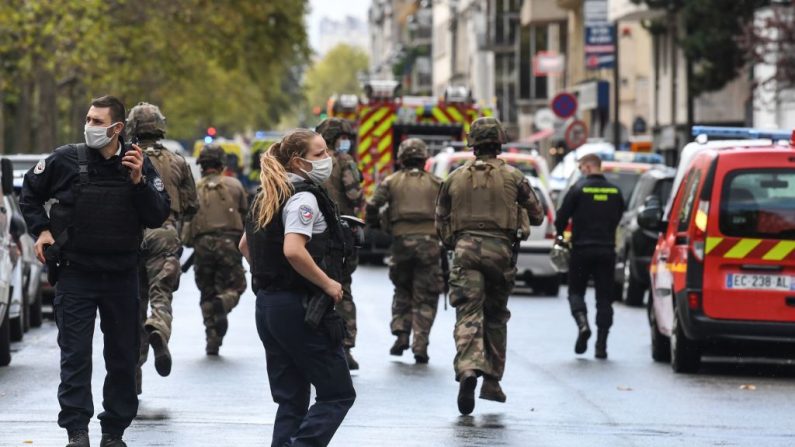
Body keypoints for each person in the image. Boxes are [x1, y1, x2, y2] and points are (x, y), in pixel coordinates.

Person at [20, 95, 170, 447]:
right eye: (88, 119)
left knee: (122, 356)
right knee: (75, 355)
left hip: (121, 275)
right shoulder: (65, 159)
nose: (90, 127)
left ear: (117, 128)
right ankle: (76, 431)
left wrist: (138, 182)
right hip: (76, 274)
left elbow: (157, 214)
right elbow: (29, 191)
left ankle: (114, 430)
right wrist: (41, 230)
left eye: (98, 121)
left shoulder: (139, 164)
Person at [239, 129, 355, 447]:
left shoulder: (266, 195)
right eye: (319, 155)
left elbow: (245, 246)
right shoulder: (303, 198)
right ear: (298, 162)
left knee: (291, 400)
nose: (327, 159)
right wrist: (327, 283)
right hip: (299, 308)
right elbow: (293, 249)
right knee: (337, 394)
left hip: (269, 307)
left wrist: (271, 277)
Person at [435, 117, 544, 415]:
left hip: (465, 250)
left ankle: (469, 368)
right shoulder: (514, 177)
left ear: (473, 145)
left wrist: (452, 243)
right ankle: (493, 382)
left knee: (468, 313)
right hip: (501, 252)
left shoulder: (454, 178)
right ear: (499, 142)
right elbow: (537, 216)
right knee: (495, 315)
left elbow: (440, 219)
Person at [126, 102, 198, 394]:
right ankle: (158, 328)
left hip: (130, 239)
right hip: (165, 236)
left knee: (132, 306)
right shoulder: (178, 161)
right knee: (160, 296)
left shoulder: (126, 158)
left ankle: (133, 378)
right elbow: (192, 205)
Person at [365, 138, 442, 363]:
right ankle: (420, 343)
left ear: (401, 158)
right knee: (426, 295)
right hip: (429, 244)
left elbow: (372, 206)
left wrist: (376, 225)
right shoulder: (436, 183)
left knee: (402, 289)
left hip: (400, 244)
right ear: (424, 158)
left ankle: (401, 332)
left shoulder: (391, 181)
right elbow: (448, 211)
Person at [554, 153, 624, 360]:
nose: (581, 171)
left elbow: (561, 216)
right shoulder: (615, 190)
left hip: (581, 250)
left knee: (576, 292)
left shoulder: (578, 189)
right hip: (606, 250)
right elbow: (619, 215)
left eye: (581, 167)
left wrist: (560, 236)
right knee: (604, 299)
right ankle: (601, 344)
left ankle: (583, 324)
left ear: (587, 166)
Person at [185, 144, 248, 355]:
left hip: (201, 247)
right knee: (237, 286)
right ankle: (225, 301)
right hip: (230, 245)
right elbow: (246, 216)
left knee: (206, 292)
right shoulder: (235, 186)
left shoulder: (194, 188)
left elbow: (186, 221)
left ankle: (212, 339)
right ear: (223, 164)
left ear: (201, 166)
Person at [316, 118, 363, 370]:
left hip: (312, 233)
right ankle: (344, 346)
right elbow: (355, 194)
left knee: (313, 286)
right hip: (341, 233)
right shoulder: (345, 162)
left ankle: (315, 343)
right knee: (342, 288)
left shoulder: (311, 161)